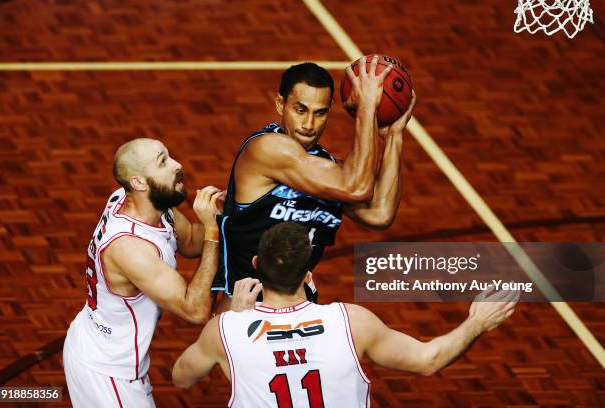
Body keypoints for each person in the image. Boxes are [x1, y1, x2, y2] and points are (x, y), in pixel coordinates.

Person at [172, 222, 519, 406]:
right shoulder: (352, 322)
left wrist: (237, 318)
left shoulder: (226, 330)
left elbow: (181, 378)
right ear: (308, 275)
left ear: (257, 266)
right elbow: (429, 359)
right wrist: (477, 323)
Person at [63, 138, 260, 407]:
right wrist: (214, 231)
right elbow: (196, 309)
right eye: (163, 162)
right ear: (139, 182)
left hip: (107, 352)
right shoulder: (130, 249)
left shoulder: (145, 203)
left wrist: (224, 215)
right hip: (108, 371)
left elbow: (190, 240)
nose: (177, 165)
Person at [212, 57, 417, 307]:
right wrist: (367, 109)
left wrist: (394, 136)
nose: (309, 125)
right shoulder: (267, 148)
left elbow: (379, 214)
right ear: (280, 104)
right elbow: (356, 187)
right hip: (246, 310)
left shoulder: (329, 169)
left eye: (320, 113)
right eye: (300, 110)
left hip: (299, 312)